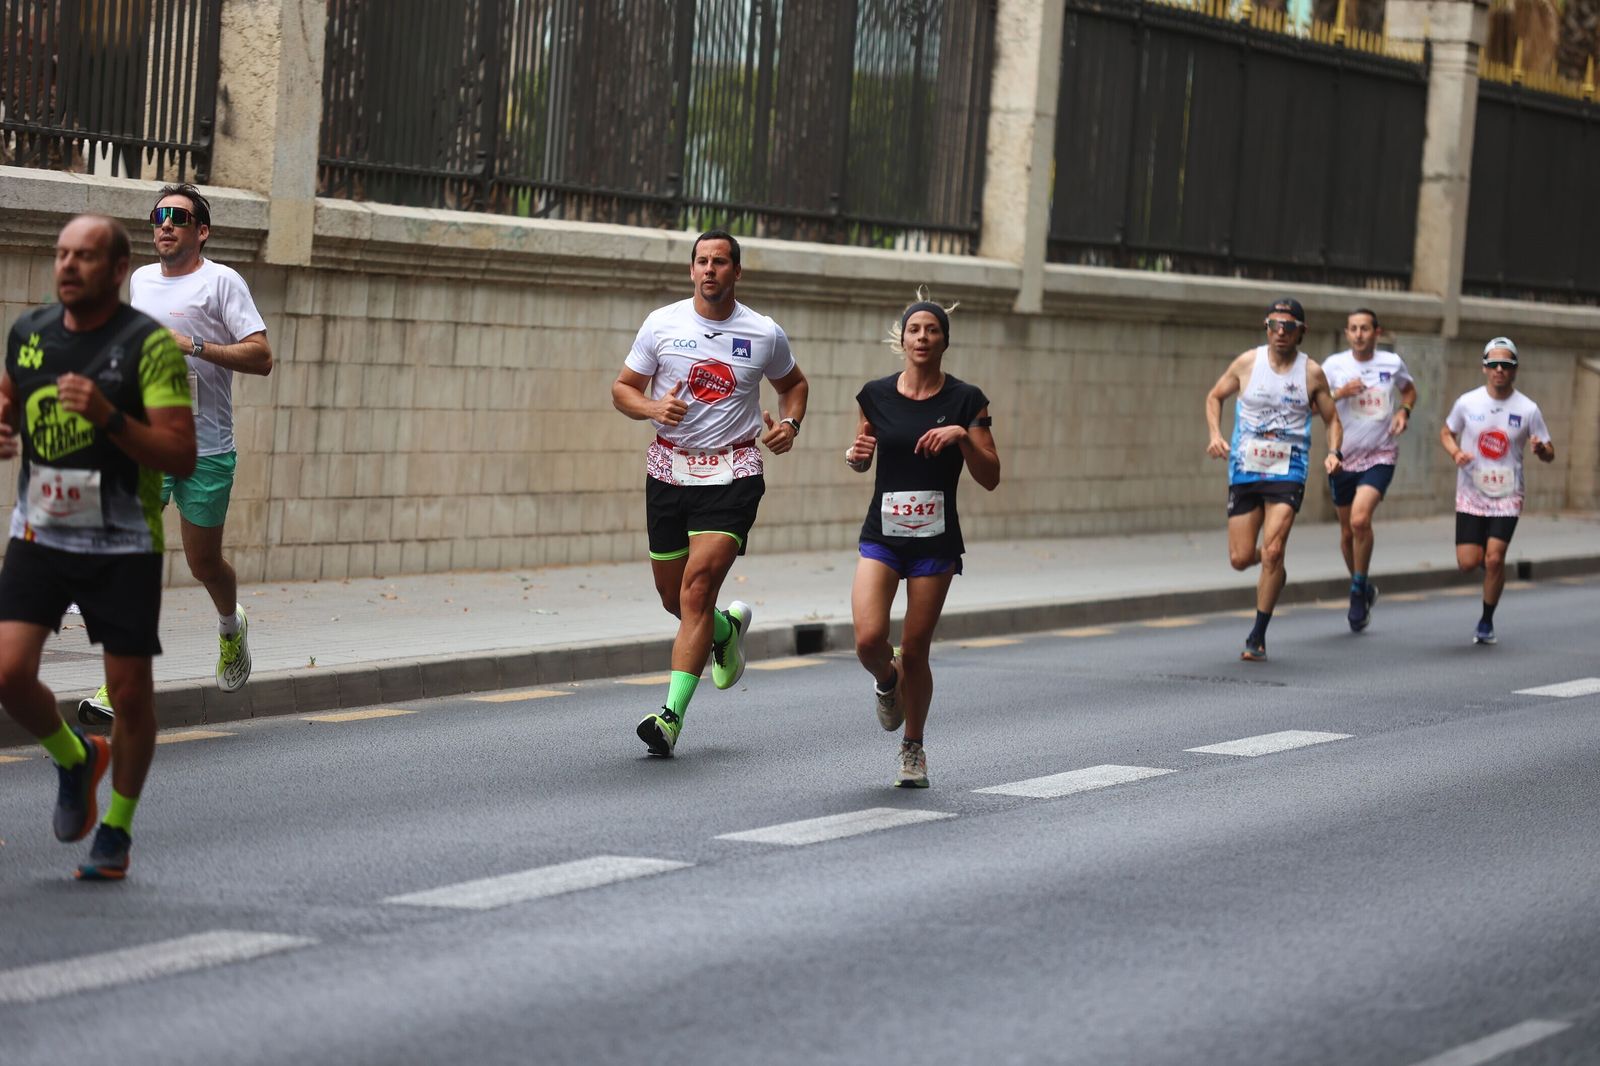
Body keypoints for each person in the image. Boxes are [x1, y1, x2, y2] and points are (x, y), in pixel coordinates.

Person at [0, 215, 195, 879]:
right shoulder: (29, 333)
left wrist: (109, 417)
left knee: (130, 695)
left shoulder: (148, 347)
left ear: (117, 270)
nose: (67, 266)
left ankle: (116, 829)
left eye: (84, 256)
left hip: (121, 541)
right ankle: (76, 757)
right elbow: (9, 399)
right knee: (7, 673)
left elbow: (180, 453)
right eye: (62, 254)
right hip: (40, 531)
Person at [611, 230, 809, 756]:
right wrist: (653, 408)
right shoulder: (663, 323)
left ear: (736, 272)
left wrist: (790, 424)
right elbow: (623, 389)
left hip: (733, 471)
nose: (710, 270)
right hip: (669, 469)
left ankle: (670, 718)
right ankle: (724, 631)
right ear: (691, 269)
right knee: (673, 597)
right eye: (702, 261)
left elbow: (794, 385)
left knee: (696, 591)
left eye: (720, 262)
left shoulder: (763, 332)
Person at [78, 184, 271, 722]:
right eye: (158, 215)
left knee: (203, 563)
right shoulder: (141, 280)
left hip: (207, 450)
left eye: (178, 217)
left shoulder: (222, 282)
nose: (165, 224)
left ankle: (231, 627)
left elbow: (261, 357)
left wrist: (193, 346)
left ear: (200, 231)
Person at [846, 292, 999, 787]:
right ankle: (887, 681)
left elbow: (991, 476)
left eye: (932, 330)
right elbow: (862, 454)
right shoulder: (874, 395)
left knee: (915, 650)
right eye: (915, 329)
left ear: (944, 341)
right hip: (883, 536)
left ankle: (913, 749)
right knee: (869, 641)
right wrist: (855, 456)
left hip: (935, 542)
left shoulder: (967, 400)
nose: (923, 337)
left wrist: (962, 436)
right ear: (903, 339)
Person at [1205, 298, 1342, 661]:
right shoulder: (1247, 363)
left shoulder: (1311, 373)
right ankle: (1273, 568)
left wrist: (1334, 452)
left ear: (1301, 331)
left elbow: (1332, 419)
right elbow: (1215, 396)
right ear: (1266, 327)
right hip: (1245, 468)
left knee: (1274, 549)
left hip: (1288, 470)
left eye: (1289, 326)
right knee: (1240, 558)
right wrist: (1215, 434)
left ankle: (1257, 636)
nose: (1281, 332)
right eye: (1274, 325)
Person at [1440, 337, 1554, 645]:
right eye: (1493, 364)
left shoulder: (1528, 409)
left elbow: (1549, 451)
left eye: (1506, 364)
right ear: (1484, 368)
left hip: (1508, 495)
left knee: (1493, 558)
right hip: (1471, 492)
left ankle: (1486, 621)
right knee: (1468, 562)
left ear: (1515, 369)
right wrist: (1455, 452)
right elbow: (1447, 432)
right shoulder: (1467, 403)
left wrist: (1541, 449)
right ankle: (1491, 563)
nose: (1499, 369)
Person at [1321, 308, 1418, 631]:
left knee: (1360, 520)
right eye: (1353, 329)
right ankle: (1363, 586)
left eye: (1364, 328)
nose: (1359, 334)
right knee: (1347, 533)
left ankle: (1355, 592)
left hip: (1380, 454)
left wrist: (1403, 412)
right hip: (1342, 458)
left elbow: (1409, 390)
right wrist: (1340, 393)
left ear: (1377, 332)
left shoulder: (1391, 363)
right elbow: (1312, 404)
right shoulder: (1333, 366)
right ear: (1346, 333)